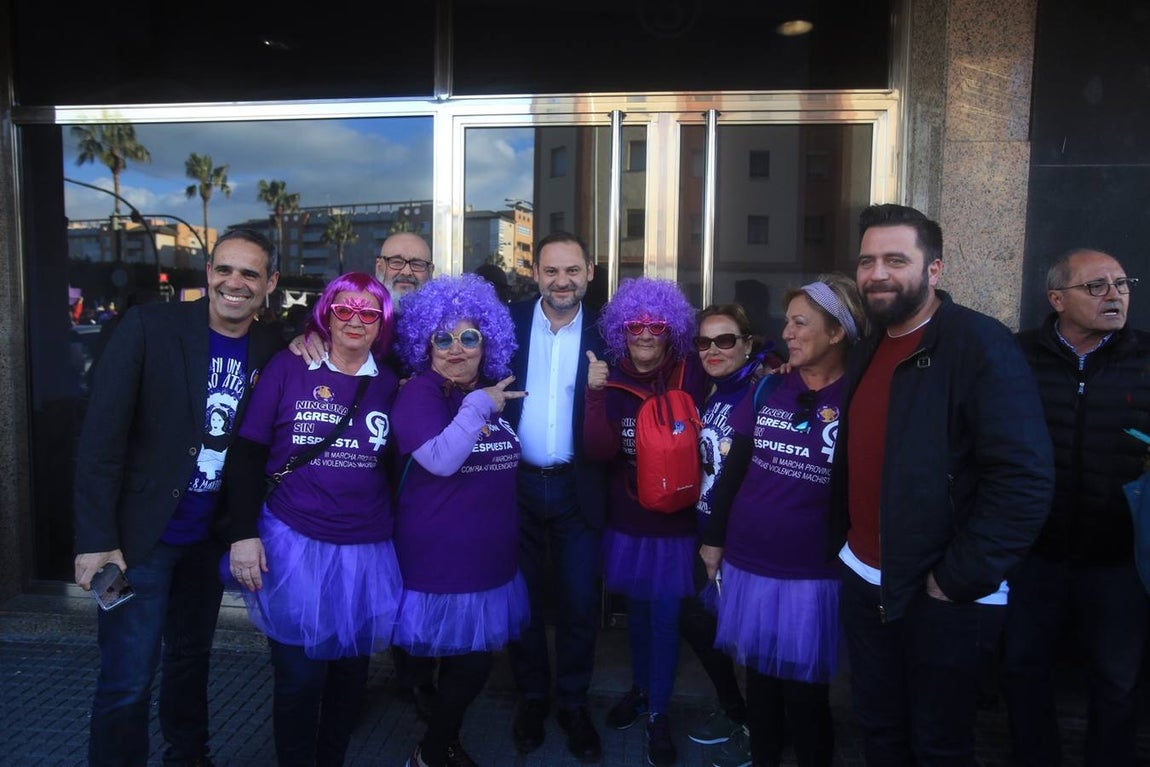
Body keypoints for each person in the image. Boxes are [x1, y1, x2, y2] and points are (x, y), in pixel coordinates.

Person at [829, 203, 1055, 764]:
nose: (877, 273)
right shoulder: (868, 345)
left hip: (940, 594)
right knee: (879, 729)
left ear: (934, 270)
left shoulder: (979, 345)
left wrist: (954, 581)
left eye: (895, 259)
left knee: (940, 745)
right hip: (866, 578)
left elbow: (1023, 479)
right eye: (867, 261)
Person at [72, 228, 282, 766]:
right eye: (224, 269)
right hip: (135, 545)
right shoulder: (149, 327)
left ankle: (188, 758)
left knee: (191, 659)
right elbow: (100, 441)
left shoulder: (273, 347)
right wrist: (97, 541)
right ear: (208, 273)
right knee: (127, 675)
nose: (234, 282)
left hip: (207, 542)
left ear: (270, 284)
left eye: (250, 273)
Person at [221, 272, 402, 766]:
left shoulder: (389, 381)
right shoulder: (289, 366)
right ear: (326, 313)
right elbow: (247, 452)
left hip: (365, 548)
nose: (355, 320)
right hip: (293, 541)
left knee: (348, 679)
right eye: (344, 308)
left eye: (368, 312)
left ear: (381, 322)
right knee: (300, 678)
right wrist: (242, 533)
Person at [700, 276, 867, 767]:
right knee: (762, 690)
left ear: (837, 332)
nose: (787, 332)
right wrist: (714, 540)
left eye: (800, 322)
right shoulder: (770, 385)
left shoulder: (860, 397)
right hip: (751, 561)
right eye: (787, 321)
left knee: (806, 697)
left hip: (810, 572)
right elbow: (735, 467)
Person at [1001, 248, 1150, 767]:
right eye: (1097, 286)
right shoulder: (1015, 356)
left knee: (1118, 680)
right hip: (1033, 555)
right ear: (1057, 299)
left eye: (1122, 283)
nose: (1115, 295)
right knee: (1022, 668)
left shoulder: (1144, 357)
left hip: (1118, 559)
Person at [390, 273, 530, 767]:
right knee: (468, 665)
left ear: (486, 341)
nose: (456, 349)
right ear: (423, 343)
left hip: (490, 557)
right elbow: (442, 459)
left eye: (469, 337)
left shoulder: (492, 394)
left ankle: (441, 741)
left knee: (470, 663)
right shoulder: (420, 394)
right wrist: (476, 406)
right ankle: (432, 750)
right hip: (440, 559)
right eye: (442, 338)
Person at [584, 276, 707, 767]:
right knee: (637, 615)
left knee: (665, 619)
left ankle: (658, 712)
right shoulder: (610, 377)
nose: (644, 334)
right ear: (621, 330)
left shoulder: (691, 373)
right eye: (635, 325)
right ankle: (640, 689)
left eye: (656, 325)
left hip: (676, 526)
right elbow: (598, 450)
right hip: (629, 522)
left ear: (670, 329)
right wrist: (595, 396)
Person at [503, 232, 607, 762]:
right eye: (551, 271)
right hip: (514, 484)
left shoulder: (611, 330)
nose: (561, 281)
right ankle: (532, 699)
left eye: (572, 270)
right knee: (520, 602)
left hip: (578, 488)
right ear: (535, 272)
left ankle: (572, 703)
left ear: (589, 271)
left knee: (579, 604)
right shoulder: (507, 321)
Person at [680, 303, 774, 765]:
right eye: (704, 342)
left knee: (751, 644)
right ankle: (737, 711)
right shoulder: (713, 393)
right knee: (700, 625)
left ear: (748, 344)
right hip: (706, 531)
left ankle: (761, 733)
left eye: (725, 340)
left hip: (740, 540)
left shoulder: (760, 393)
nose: (713, 350)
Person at [376, 231, 434, 300]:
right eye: (397, 262)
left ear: (430, 272)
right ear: (379, 268)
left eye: (417, 264)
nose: (406, 272)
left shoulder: (446, 310)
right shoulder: (364, 308)